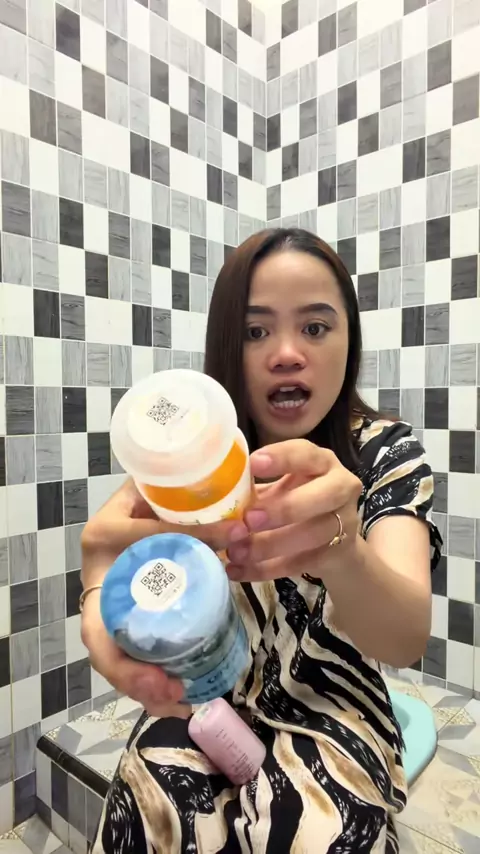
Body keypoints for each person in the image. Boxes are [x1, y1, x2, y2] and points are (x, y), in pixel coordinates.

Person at [81, 229, 441, 853]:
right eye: (255, 331)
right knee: (148, 802)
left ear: (349, 341)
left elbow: (405, 640)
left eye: (315, 327)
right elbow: (120, 559)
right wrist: (96, 591)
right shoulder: (193, 459)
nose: (286, 354)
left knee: (317, 833)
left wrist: (342, 551)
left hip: (336, 706)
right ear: (227, 343)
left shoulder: (385, 454)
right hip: (205, 693)